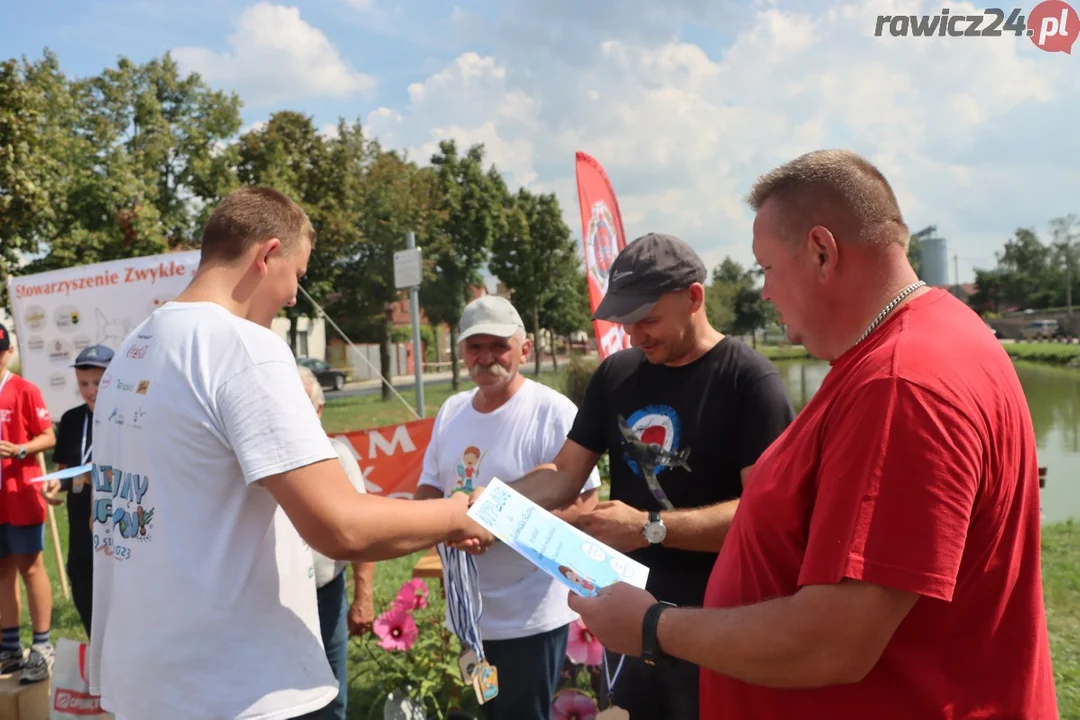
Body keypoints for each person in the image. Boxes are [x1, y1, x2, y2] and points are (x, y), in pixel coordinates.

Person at [567, 149, 1059, 719]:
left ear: (822, 252)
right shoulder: (921, 343)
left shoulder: (902, 383)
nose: (764, 293)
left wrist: (652, 625)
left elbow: (835, 641)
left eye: (767, 268)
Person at [87, 186, 491, 720]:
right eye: (296, 274)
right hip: (238, 690)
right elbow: (340, 526)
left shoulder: (135, 347)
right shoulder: (245, 350)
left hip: (147, 682)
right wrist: (462, 511)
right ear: (266, 255)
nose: (295, 295)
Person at [500, 234, 795, 720]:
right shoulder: (616, 374)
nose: (636, 335)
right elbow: (562, 474)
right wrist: (490, 504)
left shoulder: (749, 381)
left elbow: (764, 515)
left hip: (717, 625)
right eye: (627, 322)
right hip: (626, 621)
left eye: (648, 319)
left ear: (694, 298)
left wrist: (648, 527)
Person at [413, 295, 602, 720]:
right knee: (485, 710)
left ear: (525, 349)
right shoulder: (451, 411)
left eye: (497, 345)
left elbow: (585, 507)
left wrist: (499, 527)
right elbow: (428, 489)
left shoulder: (551, 411)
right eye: (474, 347)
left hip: (529, 615)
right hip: (468, 615)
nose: (485, 358)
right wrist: (440, 526)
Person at [296, 365, 376, 720]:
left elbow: (363, 531)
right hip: (269, 600)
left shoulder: (337, 456)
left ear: (318, 410)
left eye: (299, 404)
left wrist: (363, 596)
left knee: (331, 699)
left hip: (325, 594)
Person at [42, 344, 114, 640]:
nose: (90, 391)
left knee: (117, 603)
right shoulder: (72, 420)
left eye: (98, 383)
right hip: (81, 528)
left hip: (115, 527)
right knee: (85, 595)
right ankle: (98, 671)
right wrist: (55, 483)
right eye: (84, 384)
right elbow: (67, 468)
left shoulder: (127, 419)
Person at [0, 322, 57, 684]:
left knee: (31, 567)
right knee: (1, 570)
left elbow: (49, 435)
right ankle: (8, 647)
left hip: (19, 492)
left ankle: (41, 645)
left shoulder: (23, 390)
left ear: (8, 353)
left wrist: (22, 448)